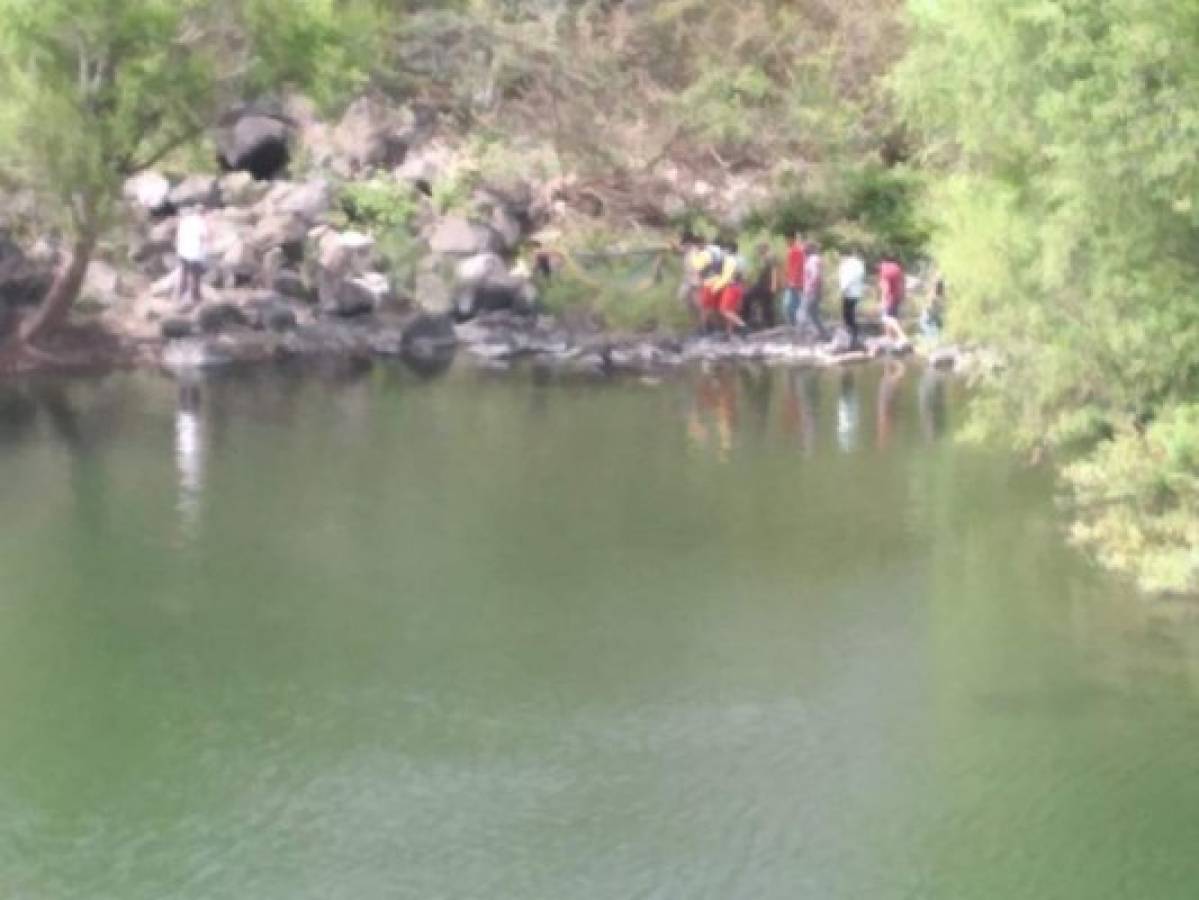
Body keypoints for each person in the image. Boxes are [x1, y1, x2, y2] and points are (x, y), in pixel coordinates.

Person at [175, 206, 209, 308]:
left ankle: (180, 295)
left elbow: (178, 236)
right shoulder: (201, 222)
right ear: (203, 213)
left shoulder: (185, 221)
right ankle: (196, 297)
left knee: (183, 274)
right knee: (195, 276)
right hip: (195, 253)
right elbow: (203, 237)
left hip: (183, 251)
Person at [742, 241, 779, 330]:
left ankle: (768, 324)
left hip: (766, 285)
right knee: (764, 303)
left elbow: (774, 271)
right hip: (762, 284)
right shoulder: (763, 258)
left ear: (764, 248)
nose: (758, 251)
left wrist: (774, 285)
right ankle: (765, 323)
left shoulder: (770, 257)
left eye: (759, 249)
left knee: (765, 303)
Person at [714, 240, 746, 338]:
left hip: (731, 286)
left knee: (724, 310)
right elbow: (744, 275)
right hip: (740, 286)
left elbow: (725, 276)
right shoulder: (742, 260)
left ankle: (743, 326)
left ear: (729, 250)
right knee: (731, 310)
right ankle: (729, 333)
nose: (724, 251)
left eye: (725, 249)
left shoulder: (729, 260)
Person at [878, 256, 910, 348]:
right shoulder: (897, 268)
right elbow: (903, 283)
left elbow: (886, 287)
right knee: (892, 317)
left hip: (889, 298)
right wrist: (903, 295)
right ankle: (889, 337)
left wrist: (883, 300)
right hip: (897, 296)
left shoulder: (884, 270)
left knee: (887, 318)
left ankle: (903, 337)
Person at [838, 246, 866, 349]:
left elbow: (847, 278)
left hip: (849, 292)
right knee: (850, 315)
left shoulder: (848, 264)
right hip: (856, 293)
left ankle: (853, 338)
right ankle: (854, 337)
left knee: (848, 316)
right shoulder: (859, 263)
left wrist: (843, 290)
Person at [800, 241, 828, 342]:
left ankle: (803, 336)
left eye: (804, 249)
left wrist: (810, 288)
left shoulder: (812, 260)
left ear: (808, 250)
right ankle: (824, 335)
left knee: (802, 313)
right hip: (816, 291)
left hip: (811, 291)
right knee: (814, 315)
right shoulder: (815, 259)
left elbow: (815, 276)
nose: (803, 251)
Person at [783, 232, 805, 327]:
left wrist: (793, 281)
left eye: (787, 239)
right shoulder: (792, 250)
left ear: (792, 239)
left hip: (796, 282)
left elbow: (797, 266)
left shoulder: (796, 250)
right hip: (793, 282)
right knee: (793, 304)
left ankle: (796, 324)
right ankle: (795, 324)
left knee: (790, 304)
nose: (786, 242)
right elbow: (790, 267)